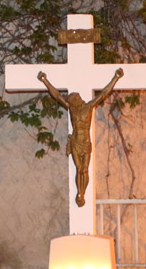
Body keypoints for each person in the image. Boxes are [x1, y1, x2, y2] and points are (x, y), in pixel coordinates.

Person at [36, 68, 123, 206]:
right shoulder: (72, 109)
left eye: (75, 97)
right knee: (78, 168)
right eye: (73, 98)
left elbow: (103, 94)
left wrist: (116, 78)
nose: (75, 99)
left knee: (84, 169)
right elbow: (57, 96)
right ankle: (80, 193)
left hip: (86, 142)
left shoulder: (88, 107)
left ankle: (82, 192)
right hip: (76, 142)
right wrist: (45, 81)